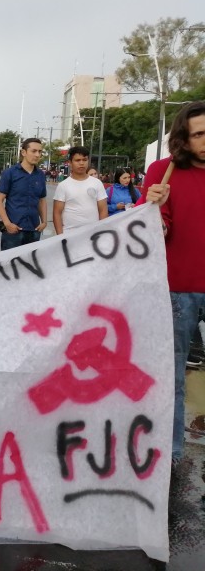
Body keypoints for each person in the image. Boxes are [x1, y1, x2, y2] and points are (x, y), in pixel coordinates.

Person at [141, 101, 205, 467]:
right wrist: (151, 210)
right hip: (177, 291)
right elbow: (152, 235)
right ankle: (172, 456)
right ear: (183, 137)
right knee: (174, 377)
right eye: (198, 134)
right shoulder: (162, 172)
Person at [0, 138, 47, 250]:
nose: (37, 155)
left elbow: (42, 200)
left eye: (40, 152)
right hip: (13, 230)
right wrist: (7, 223)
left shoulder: (41, 175)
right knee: (9, 264)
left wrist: (44, 222)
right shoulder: (10, 173)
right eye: (34, 151)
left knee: (30, 264)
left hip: (34, 230)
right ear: (24, 152)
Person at [52, 146, 107, 234]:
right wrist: (60, 237)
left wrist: (101, 232)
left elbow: (103, 210)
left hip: (93, 235)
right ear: (70, 162)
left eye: (84, 160)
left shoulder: (97, 183)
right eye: (77, 160)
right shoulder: (63, 186)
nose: (81, 163)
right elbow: (57, 213)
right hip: (69, 235)